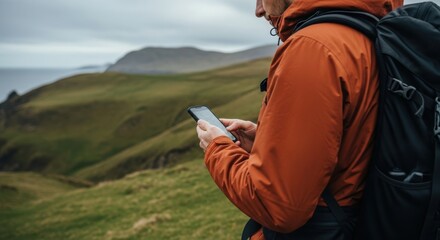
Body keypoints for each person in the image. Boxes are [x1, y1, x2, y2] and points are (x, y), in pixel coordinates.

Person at [196, 0, 403, 239]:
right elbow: (352, 145)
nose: (258, 10)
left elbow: (279, 205)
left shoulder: (313, 48)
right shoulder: (366, 34)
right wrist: (267, 141)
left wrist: (218, 148)